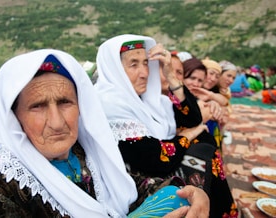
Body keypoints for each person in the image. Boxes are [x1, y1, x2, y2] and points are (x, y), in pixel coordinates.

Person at [0, 49, 209, 218]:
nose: (57, 122)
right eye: (37, 106)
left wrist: (193, 193)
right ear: (15, 116)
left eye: (65, 102)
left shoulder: (81, 149)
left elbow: (133, 185)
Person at [94, 34, 238, 218]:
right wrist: (189, 135)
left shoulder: (149, 100)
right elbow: (158, 159)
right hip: (138, 182)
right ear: (114, 68)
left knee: (205, 147)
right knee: (202, 153)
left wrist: (171, 75)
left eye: (146, 63)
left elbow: (193, 119)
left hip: (159, 167)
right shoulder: (111, 103)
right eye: (134, 64)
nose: (145, 72)